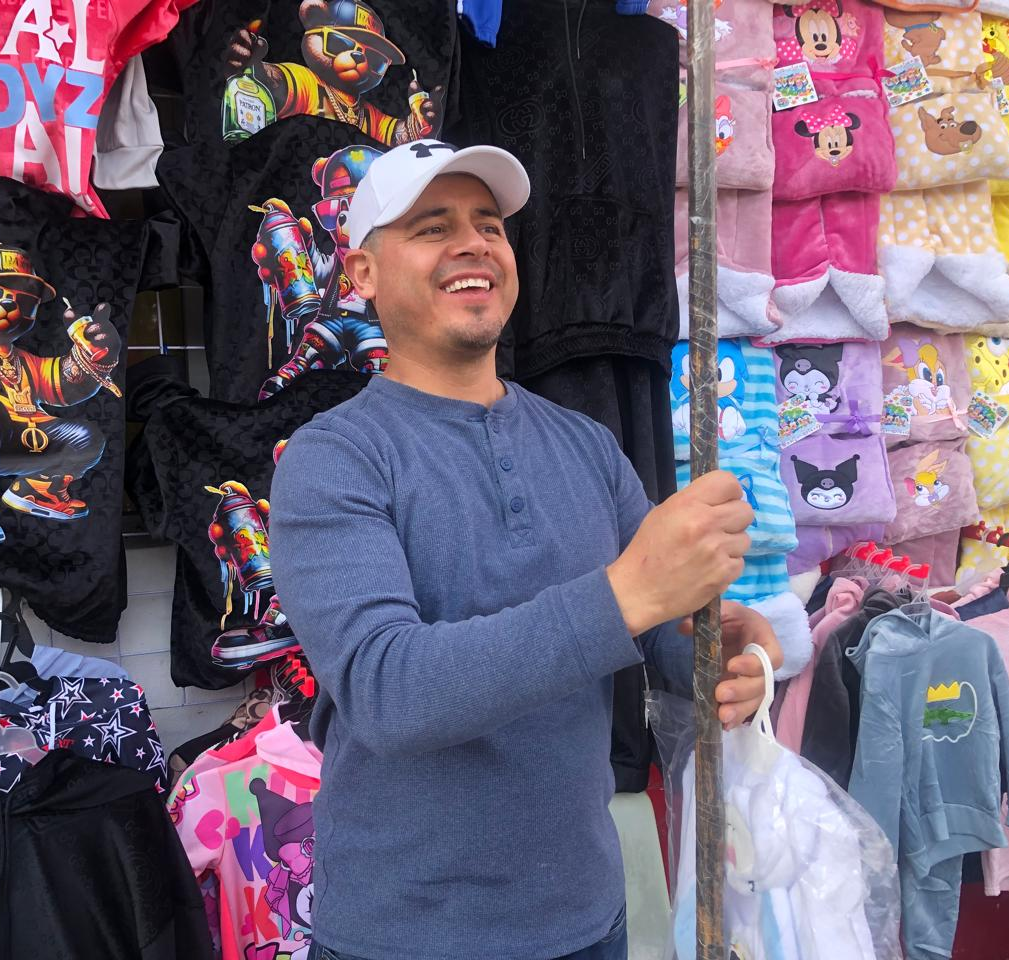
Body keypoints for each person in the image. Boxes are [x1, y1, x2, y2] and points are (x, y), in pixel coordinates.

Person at [269, 140, 783, 960]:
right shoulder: (333, 459)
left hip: (587, 918)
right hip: (407, 937)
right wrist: (630, 595)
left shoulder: (586, 445)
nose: (473, 244)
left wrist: (717, 651)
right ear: (362, 273)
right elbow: (388, 691)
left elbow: (656, 633)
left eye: (489, 226)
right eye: (433, 228)